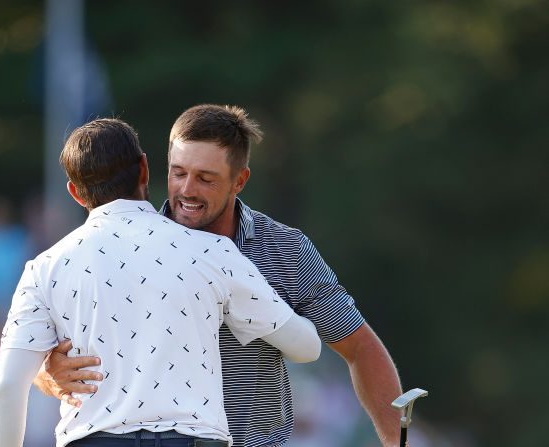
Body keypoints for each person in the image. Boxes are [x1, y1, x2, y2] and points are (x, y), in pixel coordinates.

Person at [36, 105, 405, 446]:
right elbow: (33, 352)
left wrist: (397, 443)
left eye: (206, 179)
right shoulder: (120, 250)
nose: (186, 191)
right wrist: (47, 372)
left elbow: (358, 347)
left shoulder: (285, 249)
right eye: (178, 173)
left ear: (239, 180)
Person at [0, 118, 322, 447]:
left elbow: (7, 388)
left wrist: (47, 368)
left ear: (74, 192)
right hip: (192, 438)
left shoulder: (46, 268)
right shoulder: (211, 251)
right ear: (144, 169)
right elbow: (307, 348)